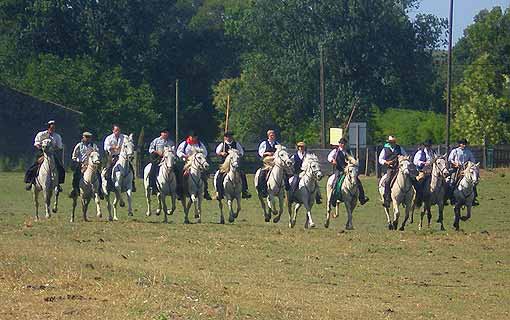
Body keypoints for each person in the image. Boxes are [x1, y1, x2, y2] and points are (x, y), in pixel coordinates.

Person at [378, 135, 419, 208]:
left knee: (413, 178)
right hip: (390, 169)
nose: (392, 143)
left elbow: (405, 156)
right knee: (387, 181)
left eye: (393, 142)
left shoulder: (399, 148)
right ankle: (387, 199)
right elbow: (380, 159)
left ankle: (417, 197)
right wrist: (386, 162)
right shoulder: (385, 149)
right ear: (389, 142)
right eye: (391, 142)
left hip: (400, 168)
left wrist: (403, 160)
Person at [24, 120, 65, 191]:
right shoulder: (41, 134)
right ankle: (31, 182)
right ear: (48, 127)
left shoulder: (57, 136)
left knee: (60, 167)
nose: (53, 129)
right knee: (34, 166)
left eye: (54, 128)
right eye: (52, 127)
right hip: (41, 153)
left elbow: (59, 146)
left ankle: (58, 184)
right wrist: (41, 147)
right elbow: (36, 143)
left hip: (52, 153)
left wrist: (53, 148)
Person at [328, 138, 369, 207]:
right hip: (339, 170)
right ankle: (333, 198)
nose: (343, 145)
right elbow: (329, 157)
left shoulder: (348, 151)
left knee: (358, 182)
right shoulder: (336, 151)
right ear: (339, 144)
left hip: (348, 170)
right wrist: (333, 160)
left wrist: (353, 164)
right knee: (335, 182)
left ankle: (362, 198)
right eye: (341, 143)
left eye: (344, 143)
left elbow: (352, 159)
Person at [176, 131, 212, 200]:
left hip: (197, 163)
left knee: (203, 175)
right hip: (187, 162)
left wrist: (201, 157)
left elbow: (205, 152)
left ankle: (205, 191)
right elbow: (178, 152)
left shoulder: (199, 144)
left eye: (195, 137)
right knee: (181, 174)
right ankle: (180, 192)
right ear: (189, 137)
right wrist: (184, 156)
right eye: (192, 137)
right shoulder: (185, 144)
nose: (194, 138)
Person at [215, 131, 251, 199]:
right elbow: (217, 151)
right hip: (225, 165)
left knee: (242, 174)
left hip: (234, 164)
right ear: (225, 137)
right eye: (228, 136)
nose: (229, 138)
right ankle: (219, 192)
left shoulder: (236, 144)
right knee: (219, 176)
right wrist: (221, 153)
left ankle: (244, 191)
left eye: (230, 136)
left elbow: (241, 152)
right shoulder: (223, 144)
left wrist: (237, 154)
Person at [69, 132, 103, 199]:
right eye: (86, 137)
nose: (87, 139)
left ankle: (99, 190)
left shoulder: (94, 146)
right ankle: (75, 189)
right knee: (76, 175)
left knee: (98, 175)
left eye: (89, 137)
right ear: (83, 137)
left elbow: (97, 154)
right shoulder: (79, 145)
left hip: (91, 164)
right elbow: (74, 156)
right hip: (81, 163)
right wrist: (79, 161)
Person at [103, 124, 136, 192]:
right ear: (113, 131)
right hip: (113, 156)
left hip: (123, 156)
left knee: (131, 169)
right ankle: (109, 185)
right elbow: (105, 147)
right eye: (116, 130)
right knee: (109, 169)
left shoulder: (124, 137)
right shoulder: (109, 138)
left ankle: (132, 184)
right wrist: (114, 147)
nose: (117, 132)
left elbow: (129, 142)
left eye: (118, 130)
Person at [447, 138, 479, 205]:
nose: (464, 145)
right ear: (460, 144)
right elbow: (450, 159)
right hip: (456, 169)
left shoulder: (468, 152)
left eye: (465, 144)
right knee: (452, 181)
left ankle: (474, 198)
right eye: (462, 143)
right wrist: (455, 163)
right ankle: (450, 197)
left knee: (473, 181)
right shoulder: (455, 151)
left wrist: (470, 164)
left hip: (466, 169)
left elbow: (473, 160)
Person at [147, 129, 175, 194]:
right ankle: (152, 187)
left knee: (176, 169)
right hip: (158, 158)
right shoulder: (156, 140)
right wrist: (157, 152)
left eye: (166, 133)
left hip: (168, 158)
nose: (165, 134)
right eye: (164, 133)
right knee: (153, 170)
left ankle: (177, 188)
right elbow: (150, 149)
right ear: (161, 133)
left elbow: (174, 150)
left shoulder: (171, 142)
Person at [257, 129, 283, 197]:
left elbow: (281, 152)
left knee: (284, 172)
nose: (272, 137)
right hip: (267, 161)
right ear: (268, 136)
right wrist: (267, 153)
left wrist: (275, 154)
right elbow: (260, 152)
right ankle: (263, 189)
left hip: (275, 161)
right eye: (271, 135)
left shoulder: (277, 144)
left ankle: (285, 189)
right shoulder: (264, 143)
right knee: (262, 174)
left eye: (273, 135)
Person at [413, 139, 437, 207]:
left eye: (429, 146)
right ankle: (419, 197)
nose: (428, 147)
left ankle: (443, 197)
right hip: (423, 171)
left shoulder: (433, 152)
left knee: (442, 181)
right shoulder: (420, 152)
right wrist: (423, 163)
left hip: (432, 171)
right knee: (420, 182)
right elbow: (415, 161)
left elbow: (436, 158)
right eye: (427, 146)